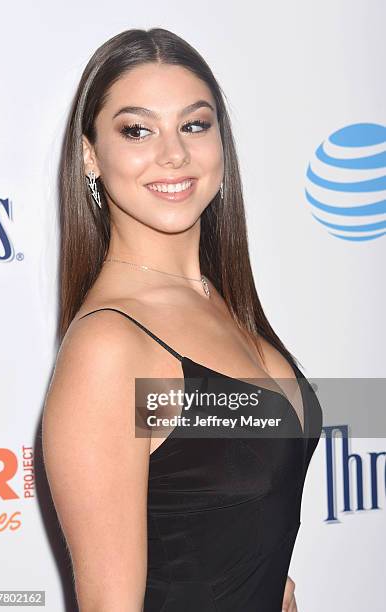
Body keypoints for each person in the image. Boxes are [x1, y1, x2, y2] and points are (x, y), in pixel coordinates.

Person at [42, 27, 322, 612]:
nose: (173, 153)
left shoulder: (218, 298)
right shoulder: (110, 346)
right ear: (91, 154)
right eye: (137, 130)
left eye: (194, 125)